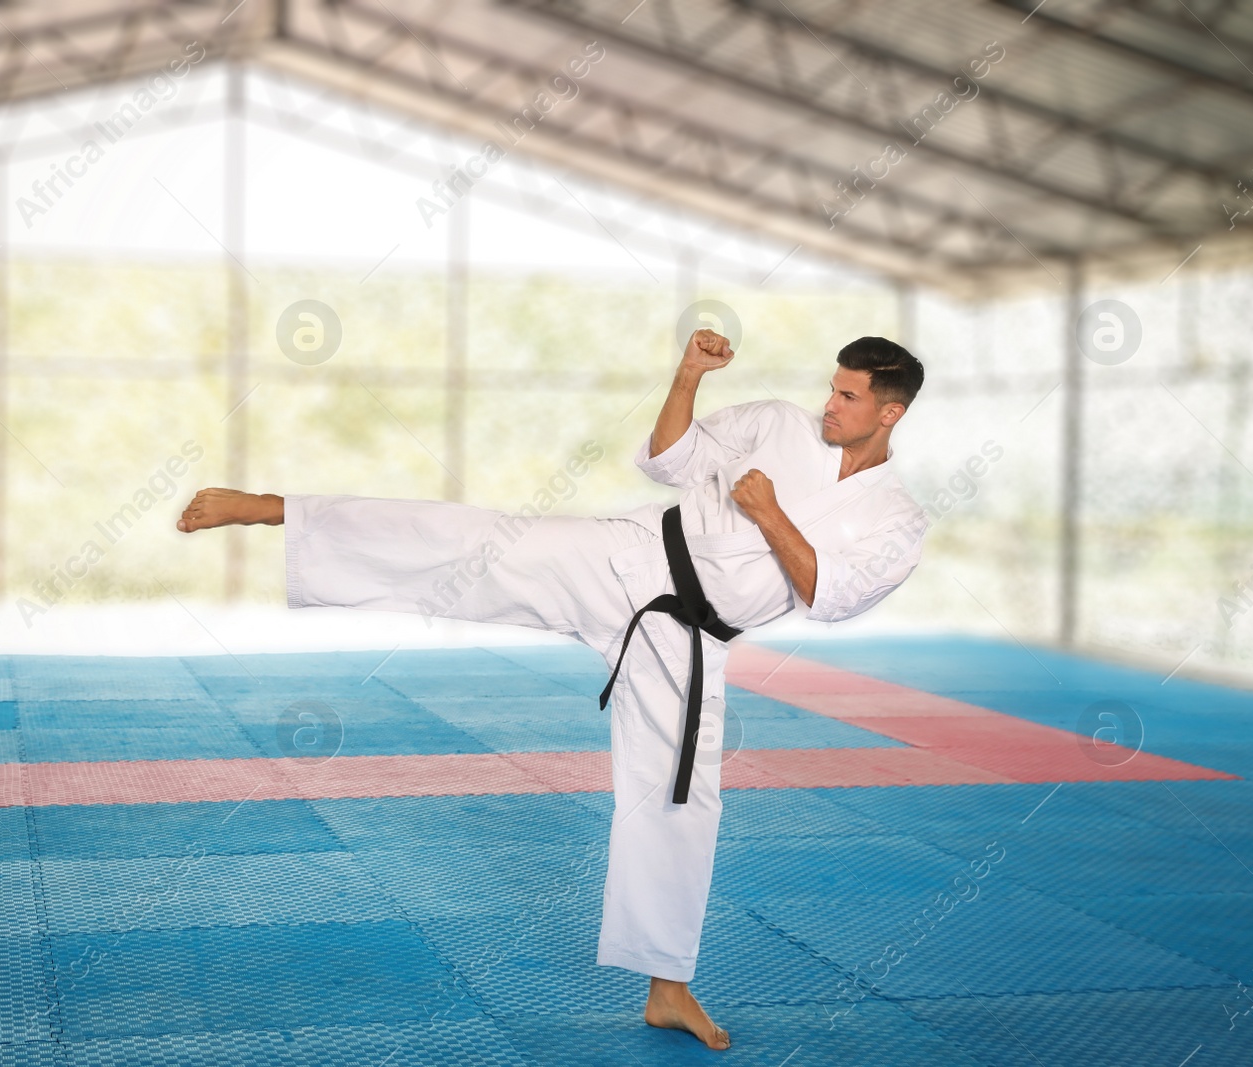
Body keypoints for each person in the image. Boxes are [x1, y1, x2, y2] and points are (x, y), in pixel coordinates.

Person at [177, 331, 929, 1050]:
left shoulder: (896, 519)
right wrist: (687, 377)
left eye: (849, 397)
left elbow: (828, 594)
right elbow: (669, 456)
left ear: (889, 413)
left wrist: (769, 514)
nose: (829, 405)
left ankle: (667, 985)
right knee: (480, 539)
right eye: (832, 389)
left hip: (688, 637)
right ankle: (280, 509)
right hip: (628, 556)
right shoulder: (776, 424)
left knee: (684, 801)